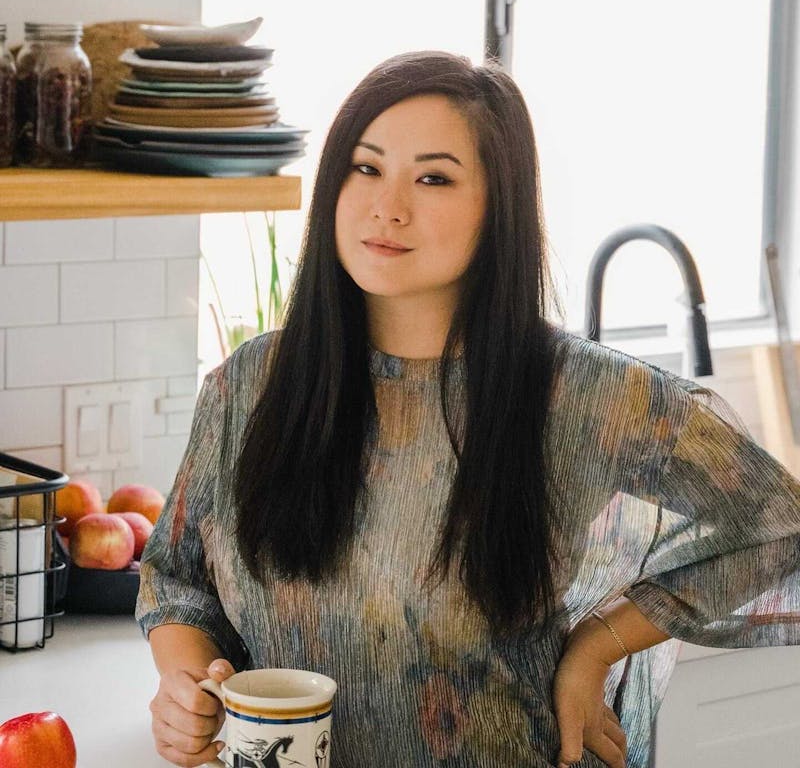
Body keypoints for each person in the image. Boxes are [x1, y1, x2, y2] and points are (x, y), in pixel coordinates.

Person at [136, 50, 800, 768]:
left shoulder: (582, 395)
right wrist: (186, 686)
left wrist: (595, 645)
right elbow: (177, 579)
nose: (388, 206)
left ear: (499, 206)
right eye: (365, 168)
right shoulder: (251, 384)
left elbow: (774, 522)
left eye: (433, 178)